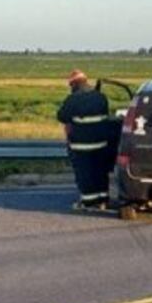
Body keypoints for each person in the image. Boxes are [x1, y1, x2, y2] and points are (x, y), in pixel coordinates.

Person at [56, 70, 113, 209]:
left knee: (85, 173)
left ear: (74, 84)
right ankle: (103, 200)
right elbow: (105, 115)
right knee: (100, 172)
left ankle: (88, 201)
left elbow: (61, 116)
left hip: (81, 145)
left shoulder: (73, 99)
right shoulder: (101, 97)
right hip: (101, 144)